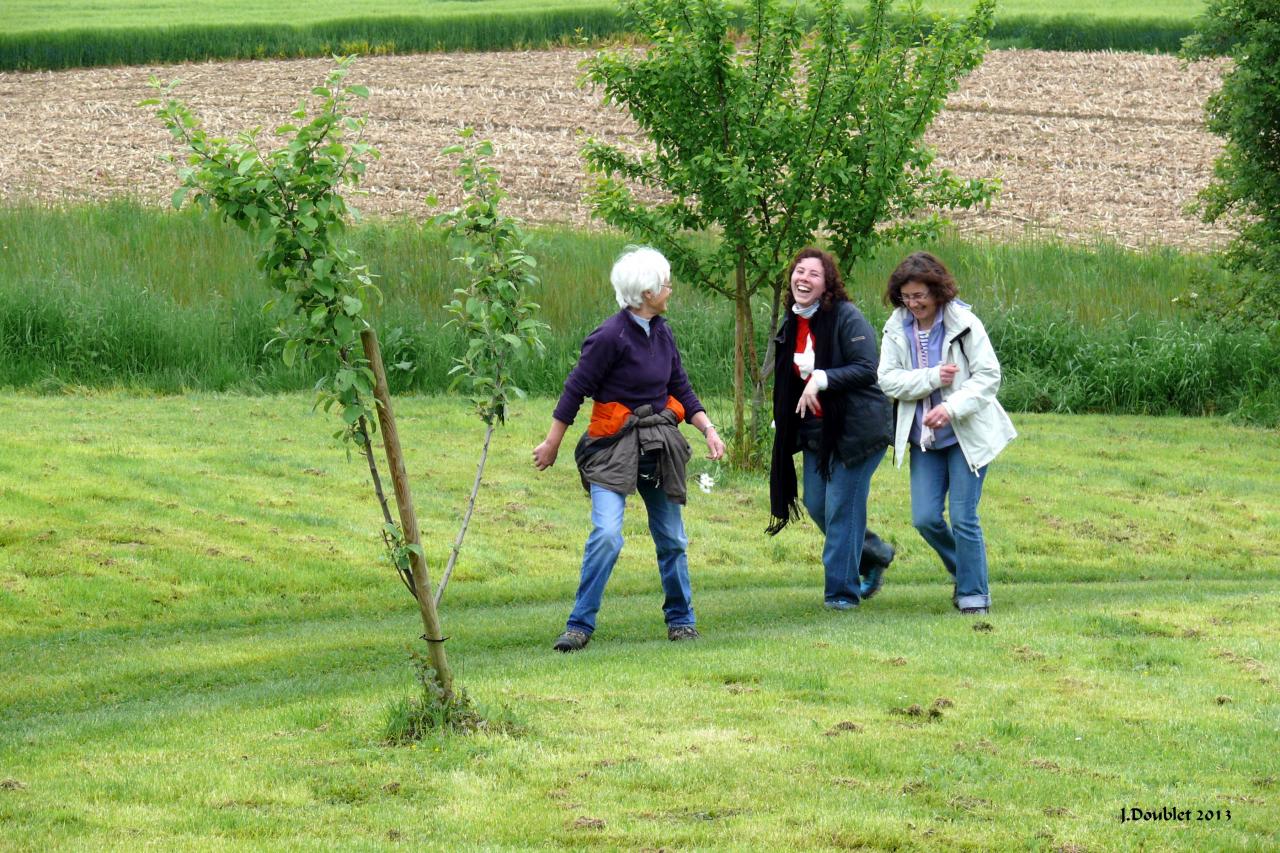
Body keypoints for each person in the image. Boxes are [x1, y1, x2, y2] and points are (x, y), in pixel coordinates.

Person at [533, 246, 726, 652]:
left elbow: (681, 388)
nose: (670, 289)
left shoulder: (663, 331)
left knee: (672, 538)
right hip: (611, 449)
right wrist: (552, 443)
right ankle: (578, 625)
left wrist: (707, 429)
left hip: (658, 447)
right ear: (645, 293)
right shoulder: (608, 337)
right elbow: (575, 391)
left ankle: (681, 620)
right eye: (664, 284)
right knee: (607, 536)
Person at [876, 251, 1016, 614]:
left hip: (966, 436)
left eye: (920, 295)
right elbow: (887, 379)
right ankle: (968, 570)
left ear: (937, 291)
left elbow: (989, 378)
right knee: (924, 518)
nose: (913, 303)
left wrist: (951, 408)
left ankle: (973, 596)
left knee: (964, 516)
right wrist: (933, 378)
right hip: (924, 439)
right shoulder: (896, 326)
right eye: (906, 297)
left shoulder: (965, 323)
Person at [768, 247, 893, 610]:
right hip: (817, 434)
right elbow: (787, 379)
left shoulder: (846, 316)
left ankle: (841, 594)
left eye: (813, 274)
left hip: (857, 431)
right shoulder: (792, 323)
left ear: (827, 285)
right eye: (799, 271)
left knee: (841, 508)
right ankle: (873, 552)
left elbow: (868, 367)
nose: (803, 279)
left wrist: (821, 378)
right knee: (818, 504)